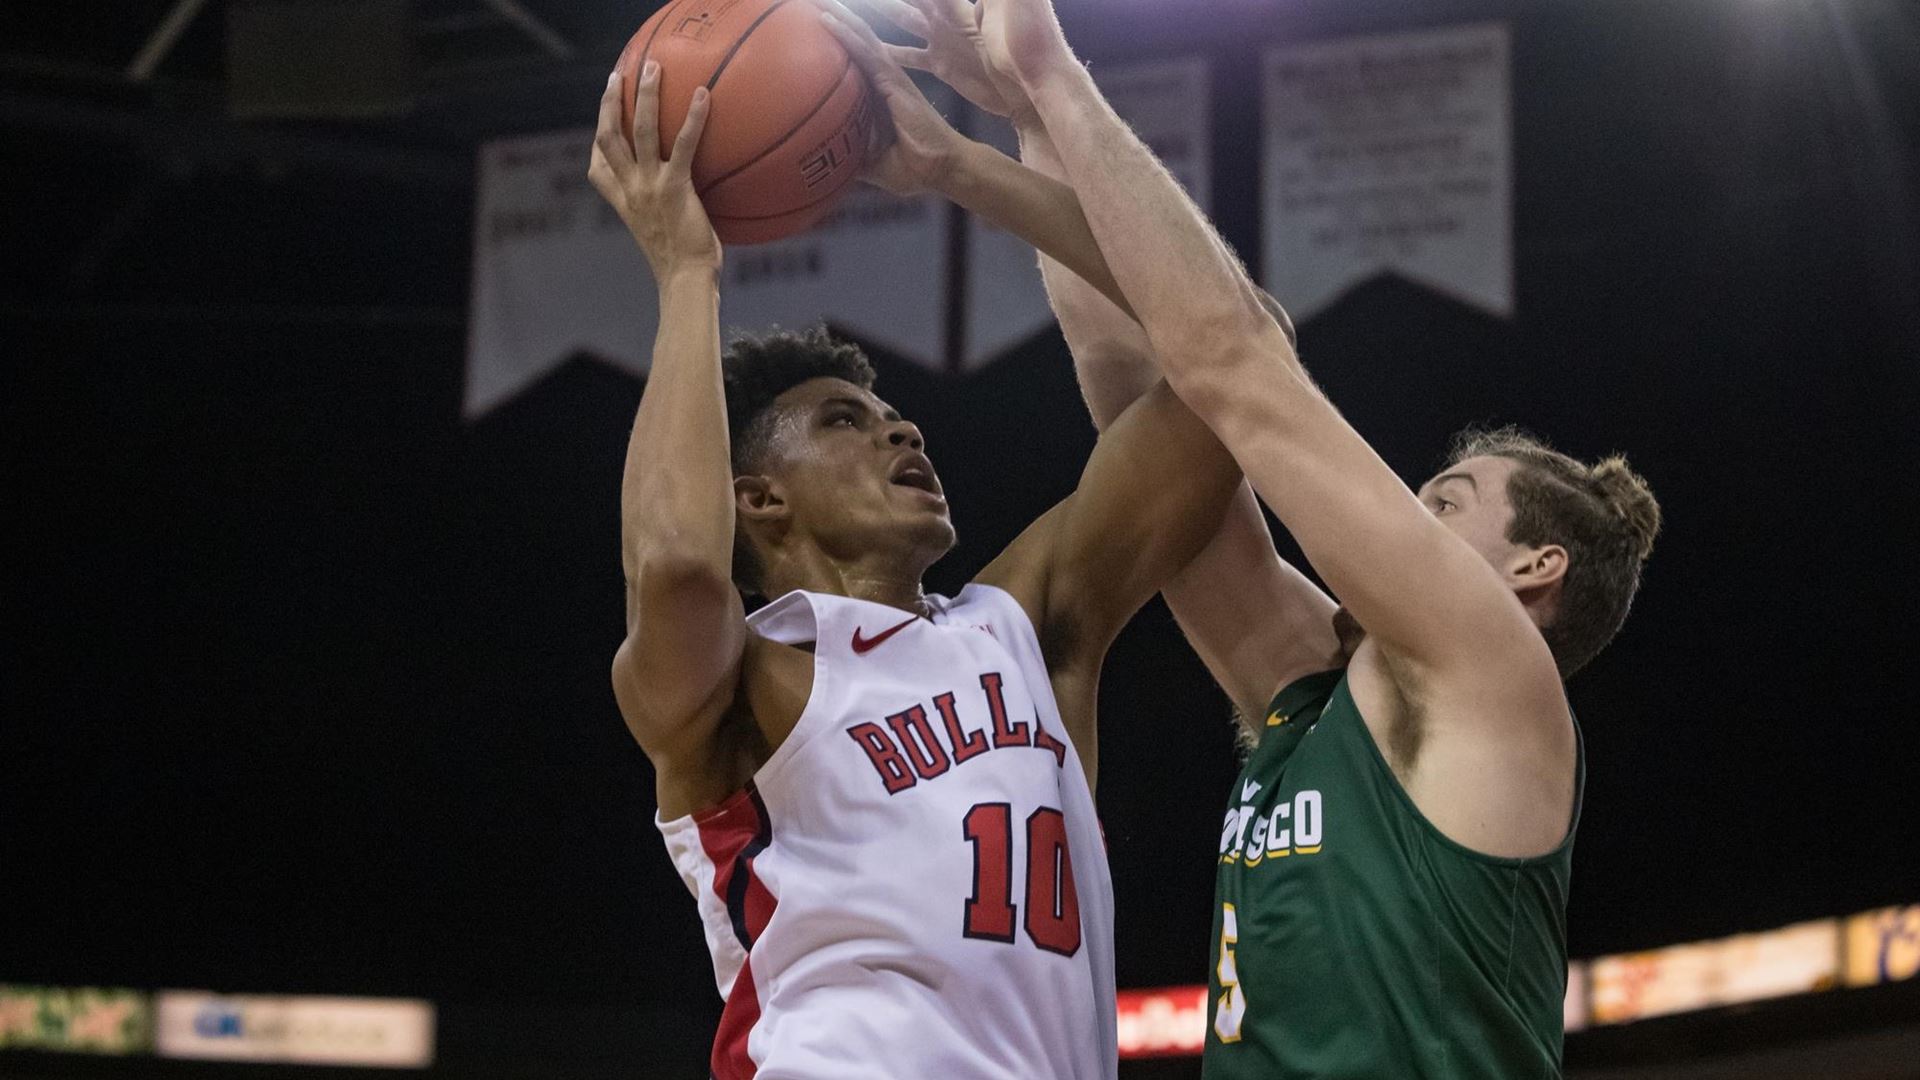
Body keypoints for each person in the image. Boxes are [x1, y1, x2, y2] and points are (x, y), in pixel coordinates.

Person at [868, 0, 1662, 1074]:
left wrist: (1056, 74)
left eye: (1444, 504)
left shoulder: (1493, 674)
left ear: (1534, 569)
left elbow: (1234, 362)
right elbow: (1145, 405)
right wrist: (1021, 125)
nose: (1404, 516)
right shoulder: (1323, 689)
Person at [585, 29, 1244, 1080]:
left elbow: (1236, 356)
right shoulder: (741, 678)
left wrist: (964, 167)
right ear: (758, 499)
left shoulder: (1022, 622)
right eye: (848, 421)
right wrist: (687, 276)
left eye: (896, 418)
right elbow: (675, 567)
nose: (904, 433)